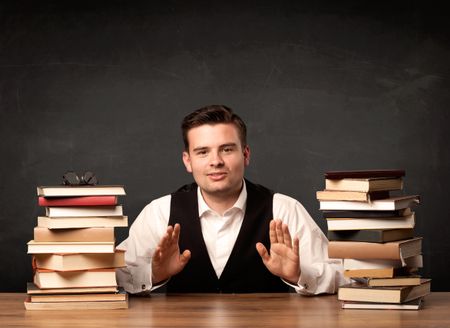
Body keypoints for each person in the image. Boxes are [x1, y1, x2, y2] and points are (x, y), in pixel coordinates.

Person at [116, 105, 346, 294]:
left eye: (226, 149)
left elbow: (342, 274)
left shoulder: (284, 209)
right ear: (188, 161)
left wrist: (298, 275)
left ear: (245, 155)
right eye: (203, 152)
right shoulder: (160, 211)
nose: (215, 161)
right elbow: (114, 275)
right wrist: (154, 275)